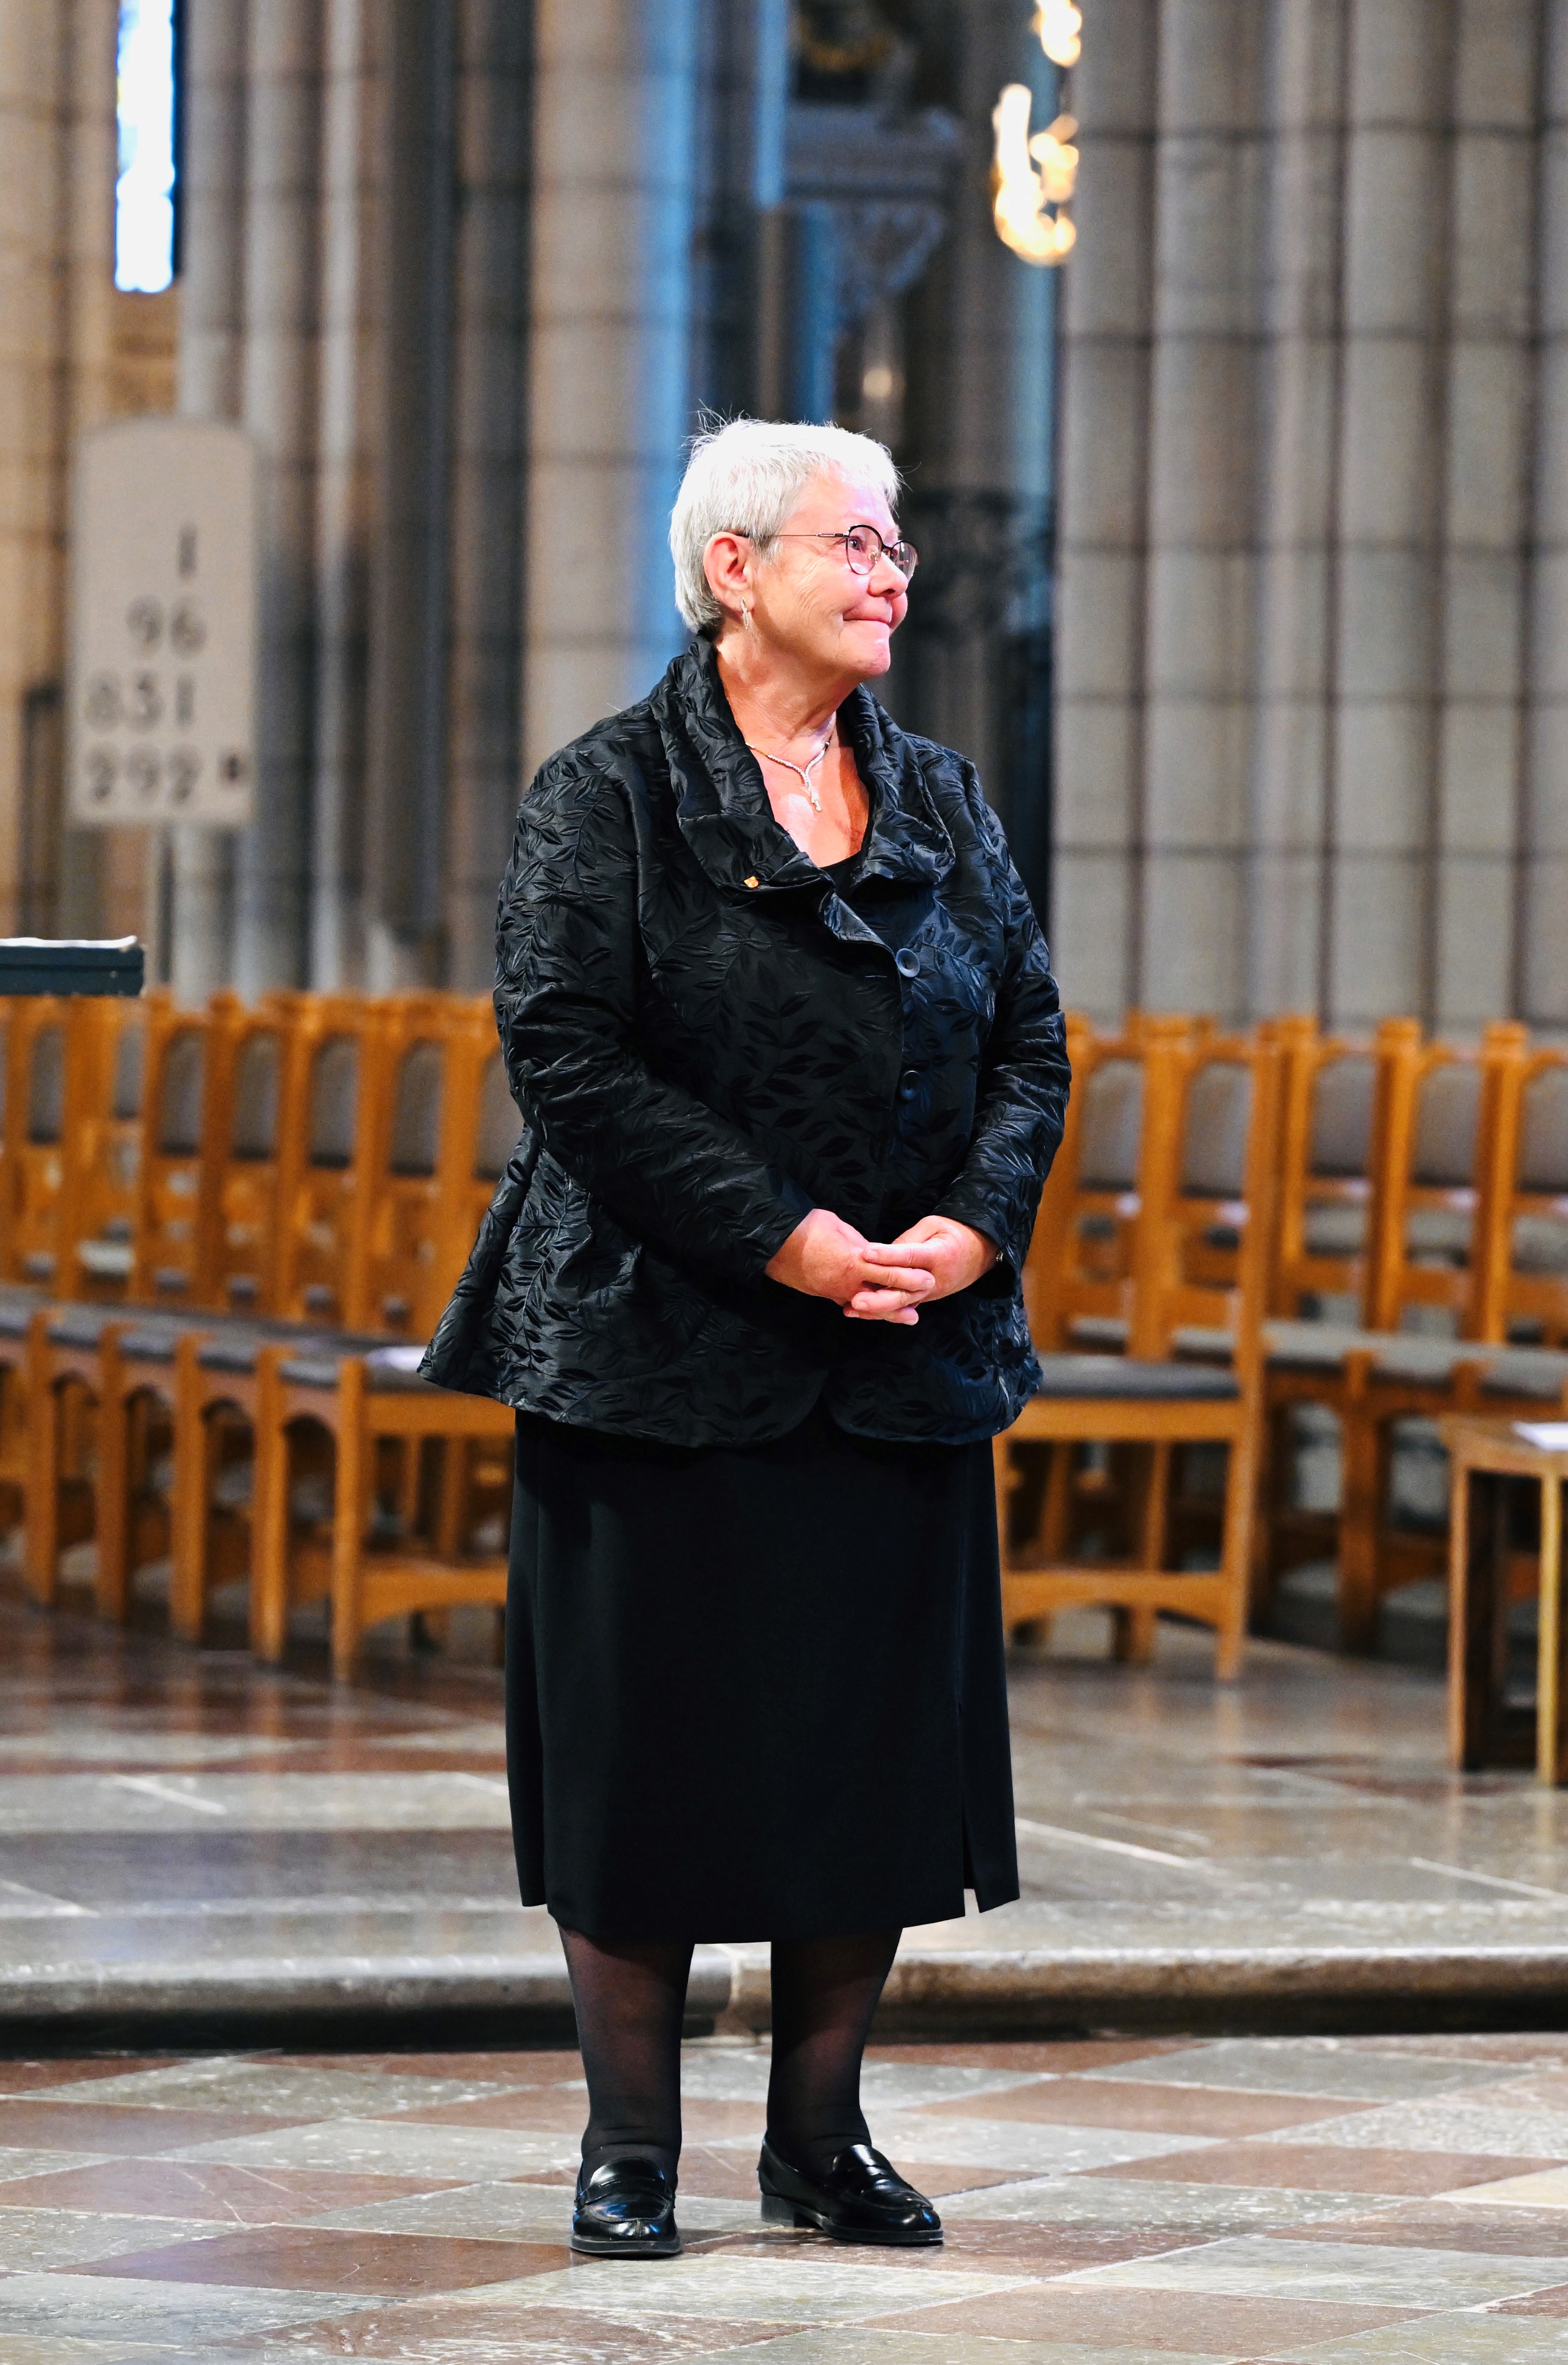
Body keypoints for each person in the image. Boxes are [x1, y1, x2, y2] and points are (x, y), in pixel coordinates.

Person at [424, 418, 1067, 2259]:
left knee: (859, 1757)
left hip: (897, 1354)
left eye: (893, 549)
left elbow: (1029, 1040)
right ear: (733, 568)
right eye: (853, 543)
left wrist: (969, 1223)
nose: (893, 575)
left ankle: (820, 2133)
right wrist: (780, 1238)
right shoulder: (605, 792)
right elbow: (565, 1053)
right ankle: (628, 2144)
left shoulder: (937, 794)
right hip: (660, 1346)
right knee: (648, 1756)